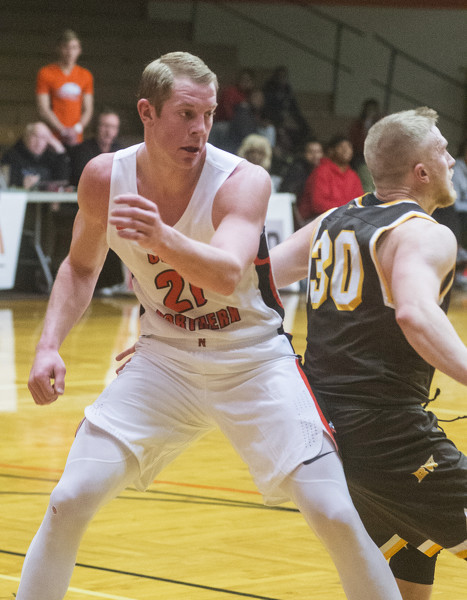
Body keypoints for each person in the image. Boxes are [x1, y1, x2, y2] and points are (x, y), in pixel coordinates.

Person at [18, 51, 402, 600]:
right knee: (68, 499)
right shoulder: (105, 177)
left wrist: (160, 236)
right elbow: (80, 267)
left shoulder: (242, 181)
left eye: (208, 114)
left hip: (252, 359)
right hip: (164, 360)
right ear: (147, 112)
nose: (200, 128)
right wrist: (48, 345)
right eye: (186, 114)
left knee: (335, 513)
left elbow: (224, 273)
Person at [270, 106, 467, 600]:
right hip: (389, 434)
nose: (452, 160)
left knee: (410, 567)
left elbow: (257, 277)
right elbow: (415, 314)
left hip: (328, 433)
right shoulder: (425, 233)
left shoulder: (331, 221)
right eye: (443, 151)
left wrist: (163, 326)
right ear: (421, 172)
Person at [36, 29, 94, 147]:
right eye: (66, 47)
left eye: (74, 48)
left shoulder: (86, 75)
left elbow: (88, 109)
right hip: (52, 137)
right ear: (59, 48)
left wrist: (77, 129)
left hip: (76, 138)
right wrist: (62, 130)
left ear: (79, 50)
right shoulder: (46, 73)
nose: (70, 52)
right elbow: (43, 108)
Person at [298, 135, 363, 222]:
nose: (346, 150)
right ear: (331, 151)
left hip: (345, 219)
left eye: (349, 147)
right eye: (341, 147)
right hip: (316, 220)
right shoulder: (321, 171)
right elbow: (318, 205)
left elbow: (361, 202)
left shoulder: (353, 175)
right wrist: (348, 208)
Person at [0, 121, 70, 189]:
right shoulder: (12, 155)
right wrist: (21, 182)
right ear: (26, 137)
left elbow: (63, 181)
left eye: (43, 138)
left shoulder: (52, 157)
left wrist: (61, 151)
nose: (39, 142)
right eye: (35, 136)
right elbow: (6, 181)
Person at [69, 108, 122, 186]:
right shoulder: (82, 150)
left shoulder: (121, 152)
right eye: (105, 126)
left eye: (114, 127)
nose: (109, 132)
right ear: (96, 127)